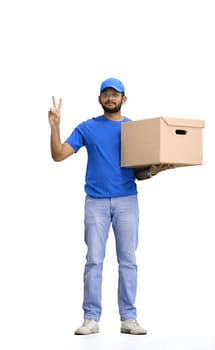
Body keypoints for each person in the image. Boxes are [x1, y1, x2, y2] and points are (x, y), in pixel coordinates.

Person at [48, 77, 170, 336]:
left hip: (127, 202)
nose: (110, 98)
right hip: (96, 203)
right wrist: (55, 127)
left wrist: (154, 172)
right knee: (94, 260)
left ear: (124, 99)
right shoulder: (87, 128)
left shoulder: (135, 130)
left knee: (128, 261)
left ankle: (129, 318)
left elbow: (140, 173)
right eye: (106, 94)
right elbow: (59, 155)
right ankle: (90, 318)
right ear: (99, 99)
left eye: (115, 94)